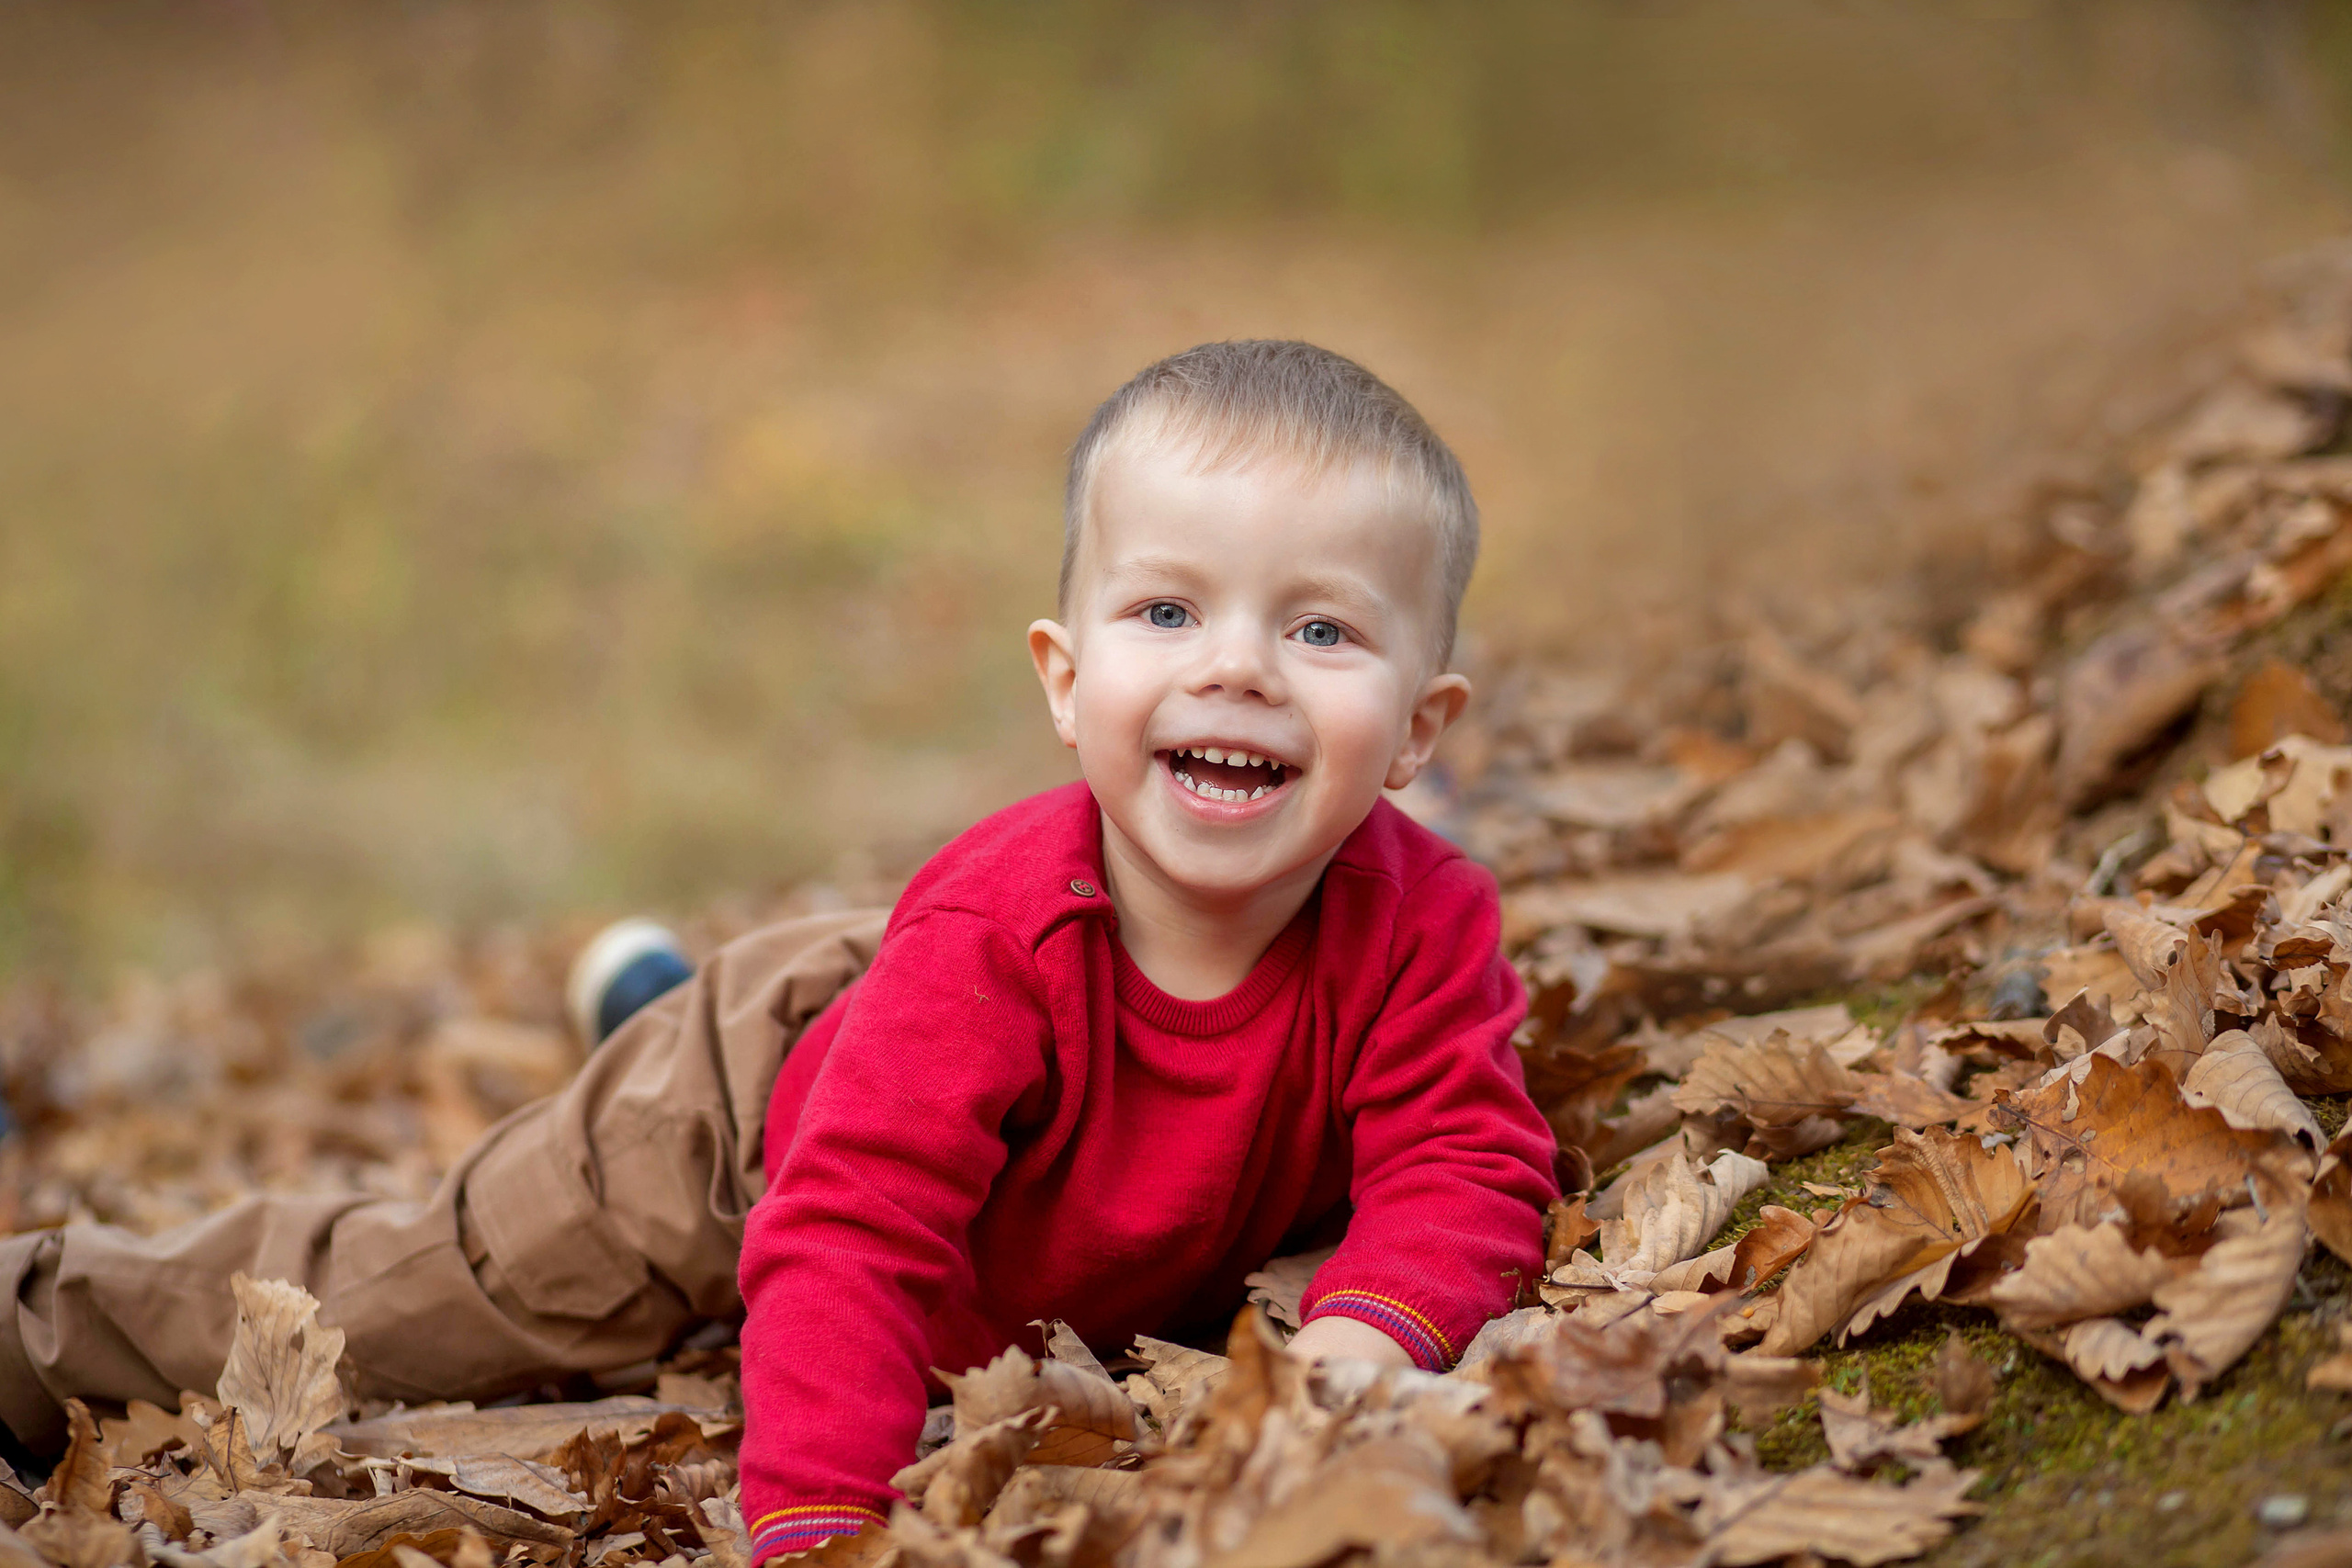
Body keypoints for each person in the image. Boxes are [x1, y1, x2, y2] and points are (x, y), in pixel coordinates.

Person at [0, 343, 1558, 1562]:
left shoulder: (1423, 924)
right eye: (1168, 611)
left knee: (900, 1071)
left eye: (1322, 631)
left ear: (1421, 730)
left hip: (913, 1060)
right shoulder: (996, 937)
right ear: (1066, 682)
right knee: (418, 1302)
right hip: (737, 1127)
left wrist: (1365, 1343)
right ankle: (31, 1318)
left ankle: (643, 993)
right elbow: (850, 1234)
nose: (1239, 668)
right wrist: (820, 1531)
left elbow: (1466, 1157)